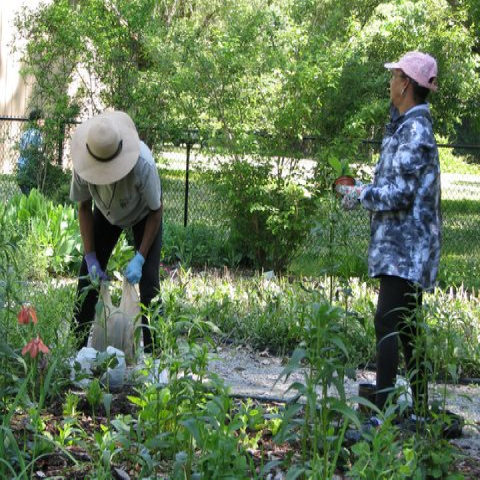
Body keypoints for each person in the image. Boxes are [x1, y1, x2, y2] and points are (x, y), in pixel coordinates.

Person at [336, 51, 441, 419]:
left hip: (407, 250)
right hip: (404, 248)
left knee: (387, 322)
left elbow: (399, 194)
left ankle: (379, 418)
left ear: (406, 86)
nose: (390, 82)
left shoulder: (414, 131)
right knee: (407, 327)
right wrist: (363, 189)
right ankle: (422, 412)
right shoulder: (404, 124)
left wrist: (360, 194)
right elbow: (394, 184)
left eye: (395, 76)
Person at [70, 110, 163, 354]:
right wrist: (91, 257)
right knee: (86, 283)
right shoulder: (82, 164)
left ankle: (157, 361)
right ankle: (74, 352)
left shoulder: (143, 163)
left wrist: (141, 257)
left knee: (150, 284)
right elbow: (83, 207)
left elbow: (156, 211)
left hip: (144, 214)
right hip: (106, 214)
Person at [17, 108, 44, 194]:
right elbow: (39, 153)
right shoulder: (37, 134)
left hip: (21, 171)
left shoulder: (25, 133)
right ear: (37, 121)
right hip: (31, 172)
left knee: (27, 198)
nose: (44, 121)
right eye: (42, 118)